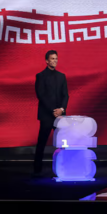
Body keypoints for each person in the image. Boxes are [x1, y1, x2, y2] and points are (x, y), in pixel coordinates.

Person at [33, 49, 68, 177]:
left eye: (56, 59)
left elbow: (66, 95)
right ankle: (37, 170)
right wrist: (54, 111)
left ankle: (66, 167)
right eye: (52, 59)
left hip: (60, 116)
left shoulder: (61, 76)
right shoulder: (40, 76)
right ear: (47, 61)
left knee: (64, 142)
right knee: (42, 142)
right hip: (47, 115)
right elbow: (41, 95)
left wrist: (61, 109)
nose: (55, 61)